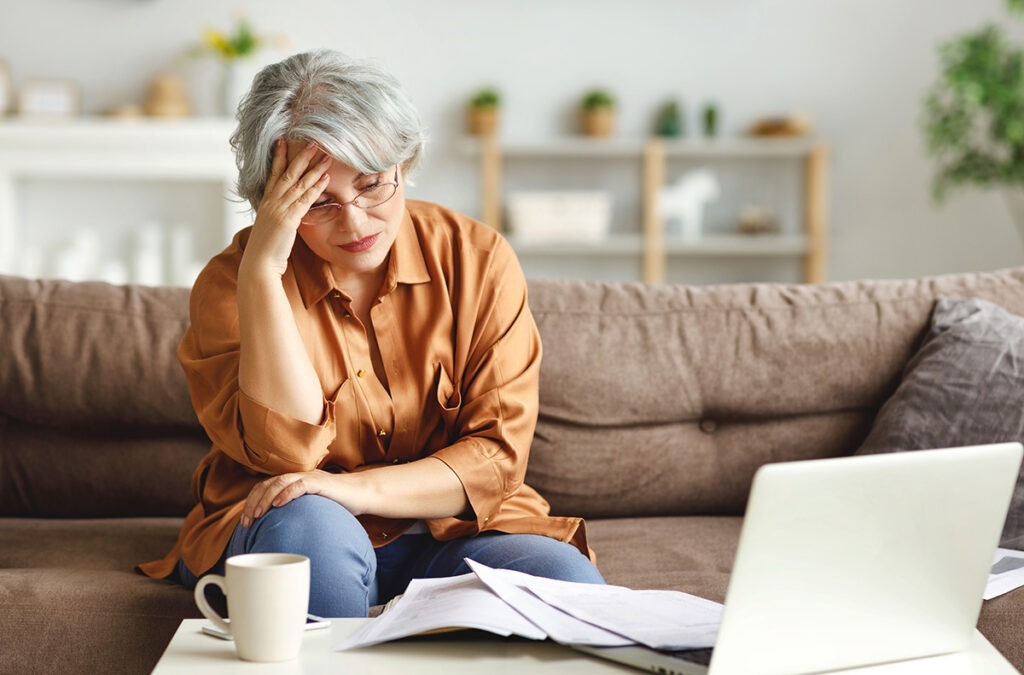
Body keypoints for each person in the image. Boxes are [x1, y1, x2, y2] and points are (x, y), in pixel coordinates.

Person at [139, 49, 604, 617]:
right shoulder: (230, 284)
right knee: (311, 532)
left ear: (404, 164)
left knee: (565, 582)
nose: (355, 223)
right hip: (296, 526)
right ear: (270, 204)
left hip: (448, 532)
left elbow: (496, 458)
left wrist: (355, 491)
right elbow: (286, 458)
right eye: (318, 203)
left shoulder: (477, 259)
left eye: (372, 185)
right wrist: (263, 272)